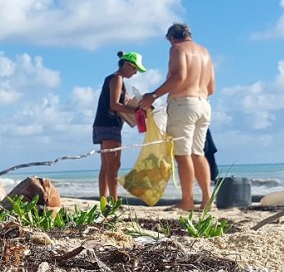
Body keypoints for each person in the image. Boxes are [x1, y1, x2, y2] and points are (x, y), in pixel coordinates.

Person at [139, 22, 216, 210]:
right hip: (204, 104)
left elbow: (178, 77)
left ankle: (187, 201)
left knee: (183, 155)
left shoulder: (177, 49)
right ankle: (207, 200)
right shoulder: (205, 52)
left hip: (184, 104)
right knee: (198, 153)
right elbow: (211, 88)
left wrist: (153, 95)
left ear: (172, 37)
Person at [92, 51, 146, 201]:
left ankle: (104, 200)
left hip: (101, 124)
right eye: (135, 69)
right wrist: (137, 112)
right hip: (110, 126)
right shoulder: (117, 79)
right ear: (127, 64)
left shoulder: (115, 79)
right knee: (114, 165)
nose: (135, 73)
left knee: (106, 165)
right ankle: (114, 201)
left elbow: (119, 103)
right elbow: (114, 105)